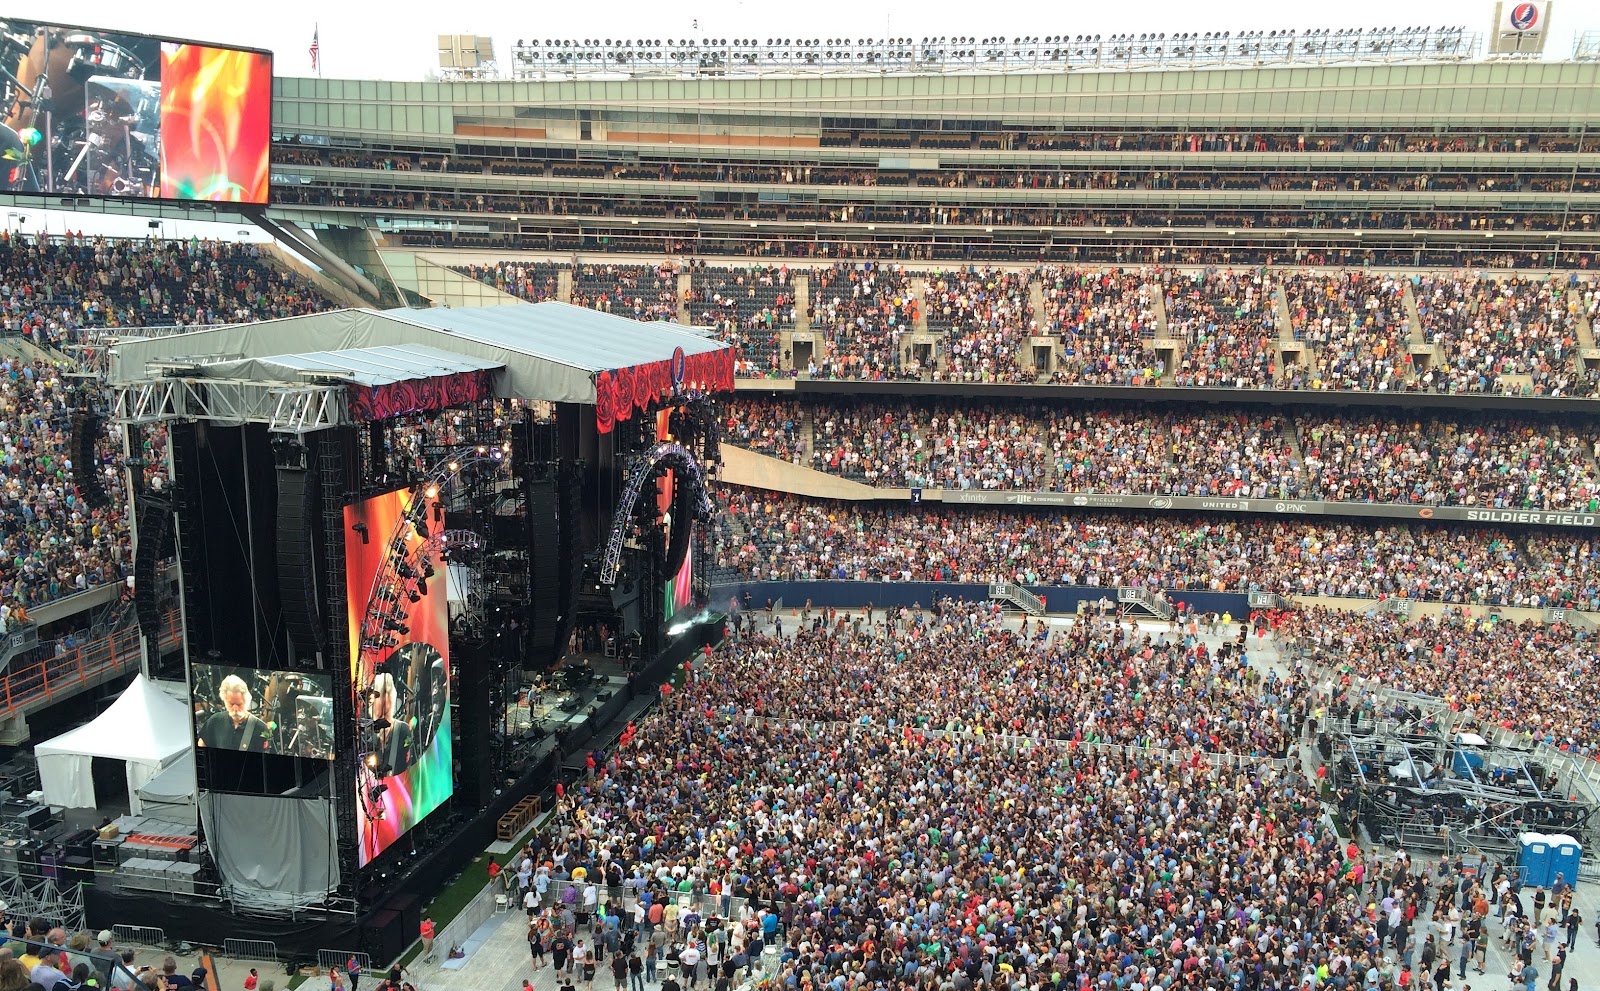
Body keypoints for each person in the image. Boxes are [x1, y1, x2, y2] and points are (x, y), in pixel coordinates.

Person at [196, 675, 270, 750]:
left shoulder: (261, 729)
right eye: (231, 704)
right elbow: (201, 744)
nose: (235, 709)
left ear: (247, 701)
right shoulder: (214, 721)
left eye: (239, 704)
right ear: (224, 701)